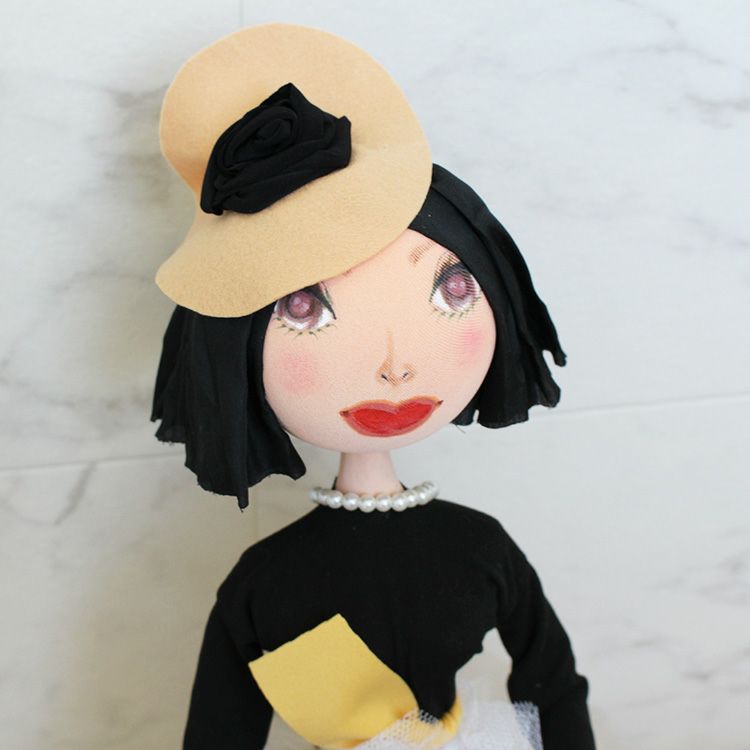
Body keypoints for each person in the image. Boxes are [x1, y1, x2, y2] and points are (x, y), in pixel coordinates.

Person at [150, 23, 596, 750]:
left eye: (452, 289)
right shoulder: (266, 581)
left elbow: (553, 682)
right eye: (304, 309)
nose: (394, 367)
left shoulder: (475, 549)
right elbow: (222, 728)